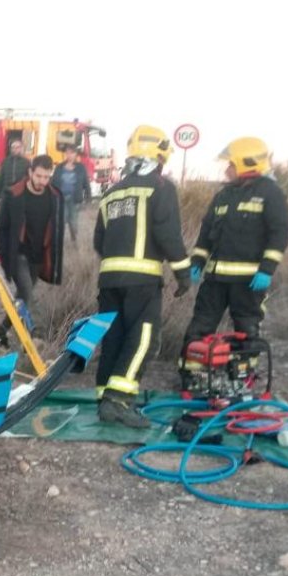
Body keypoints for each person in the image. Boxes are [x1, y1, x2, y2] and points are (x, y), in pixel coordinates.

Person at [93, 125, 193, 428]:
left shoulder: (111, 192)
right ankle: (118, 400)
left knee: (114, 337)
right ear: (158, 156)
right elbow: (168, 235)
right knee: (143, 338)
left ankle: (104, 396)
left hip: (108, 279)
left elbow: (99, 241)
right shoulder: (161, 188)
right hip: (142, 280)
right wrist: (183, 273)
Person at [180, 137, 288, 386]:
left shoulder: (270, 193)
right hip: (216, 280)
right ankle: (192, 375)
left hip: (249, 281)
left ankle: (242, 377)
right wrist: (197, 262)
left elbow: (280, 233)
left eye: (231, 164)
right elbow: (206, 232)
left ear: (246, 163)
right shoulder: (224, 195)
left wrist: (267, 269)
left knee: (246, 329)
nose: (227, 169)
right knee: (201, 325)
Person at [0, 154, 65, 349]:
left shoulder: (55, 197)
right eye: (39, 176)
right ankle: (32, 337)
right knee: (26, 291)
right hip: (17, 254)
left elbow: (57, 230)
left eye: (47, 177)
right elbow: (0, 230)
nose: (42, 181)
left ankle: (1, 330)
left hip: (38, 256)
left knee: (23, 297)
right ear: (30, 172)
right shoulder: (13, 194)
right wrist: (5, 255)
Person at [53, 145, 93, 245]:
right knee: (62, 220)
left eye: (72, 153)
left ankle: (74, 237)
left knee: (73, 222)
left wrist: (88, 196)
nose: (69, 155)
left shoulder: (81, 168)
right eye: (67, 153)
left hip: (74, 199)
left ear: (76, 154)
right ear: (65, 154)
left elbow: (86, 182)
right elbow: (53, 182)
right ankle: (59, 241)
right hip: (61, 198)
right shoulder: (59, 167)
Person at [0, 139, 31, 209]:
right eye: (13, 147)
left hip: (20, 196)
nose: (15, 149)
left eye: (17, 147)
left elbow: (29, 181)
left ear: (22, 148)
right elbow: (0, 180)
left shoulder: (27, 163)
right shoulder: (6, 162)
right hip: (5, 195)